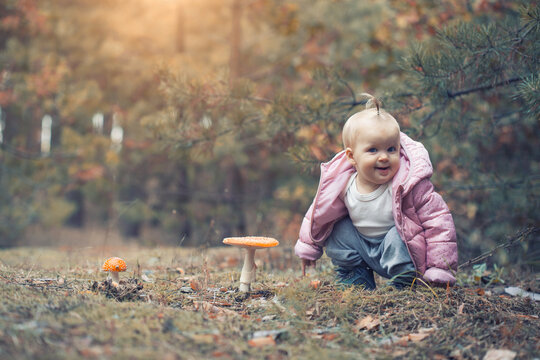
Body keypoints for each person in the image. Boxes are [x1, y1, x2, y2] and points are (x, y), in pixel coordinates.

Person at [295, 94, 458, 289]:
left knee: (397, 236)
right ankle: (356, 275)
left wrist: (440, 268)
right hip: (362, 247)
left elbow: (438, 221)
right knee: (338, 230)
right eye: (373, 150)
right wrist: (309, 247)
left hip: (401, 254)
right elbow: (318, 213)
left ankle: (406, 280)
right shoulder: (342, 183)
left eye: (391, 149)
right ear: (351, 156)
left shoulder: (408, 185)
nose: (384, 157)